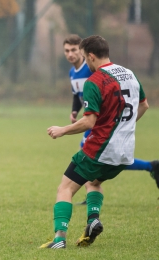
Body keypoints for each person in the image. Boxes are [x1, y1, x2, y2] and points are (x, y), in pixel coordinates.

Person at [40, 35, 150, 249]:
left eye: (83, 56)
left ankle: (59, 239)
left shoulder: (95, 81)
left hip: (100, 149)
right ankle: (93, 220)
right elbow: (144, 105)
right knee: (94, 182)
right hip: (124, 152)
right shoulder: (129, 73)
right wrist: (122, 126)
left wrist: (62, 130)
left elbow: (89, 121)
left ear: (90, 56)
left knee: (65, 188)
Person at [63, 34, 159, 203]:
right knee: (106, 157)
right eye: (66, 51)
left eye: (74, 50)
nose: (70, 54)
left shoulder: (93, 70)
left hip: (99, 120)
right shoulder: (73, 72)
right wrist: (74, 111)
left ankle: (149, 166)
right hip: (94, 118)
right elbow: (77, 95)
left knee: (98, 156)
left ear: (86, 54)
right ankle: (92, 190)